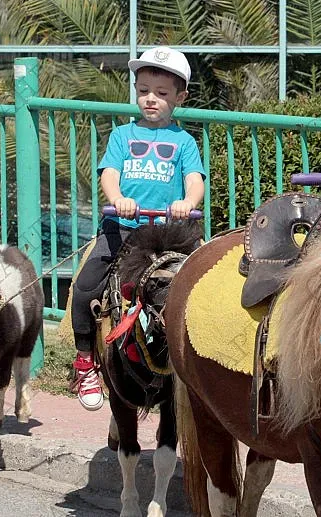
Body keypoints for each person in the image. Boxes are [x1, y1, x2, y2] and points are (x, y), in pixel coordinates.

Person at [69, 46, 205, 411]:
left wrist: (187, 204)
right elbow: (109, 174)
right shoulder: (121, 136)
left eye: (161, 93)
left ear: (180, 97)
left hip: (169, 235)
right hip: (123, 228)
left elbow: (195, 182)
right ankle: (85, 362)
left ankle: (199, 365)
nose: (151, 99)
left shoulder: (184, 142)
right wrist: (118, 198)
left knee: (200, 287)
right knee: (85, 288)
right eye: (143, 90)